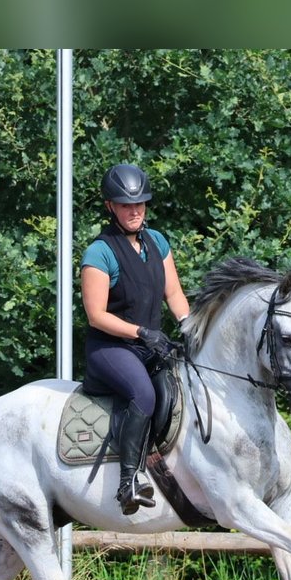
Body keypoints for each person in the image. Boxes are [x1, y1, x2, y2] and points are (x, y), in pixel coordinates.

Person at [80, 163, 191, 514]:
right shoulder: (99, 252)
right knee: (142, 393)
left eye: (140, 204)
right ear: (110, 206)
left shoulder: (157, 241)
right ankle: (128, 481)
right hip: (110, 347)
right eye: (126, 205)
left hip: (150, 345)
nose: (135, 211)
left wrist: (188, 326)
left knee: (178, 386)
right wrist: (142, 332)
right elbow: (96, 315)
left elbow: (173, 294)